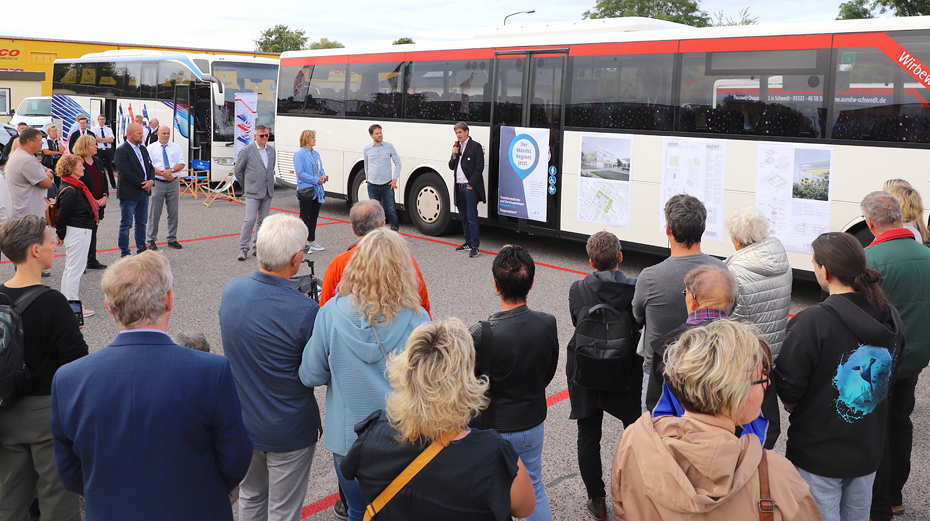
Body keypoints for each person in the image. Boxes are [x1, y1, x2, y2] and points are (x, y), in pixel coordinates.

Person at [49, 251, 254, 521]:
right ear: (169, 300)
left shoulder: (68, 379)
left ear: (109, 307)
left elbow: (71, 472)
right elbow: (235, 459)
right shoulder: (210, 371)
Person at [610, 320, 823, 521]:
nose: (767, 386)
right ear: (736, 394)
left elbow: (622, 510)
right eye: (761, 378)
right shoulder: (777, 477)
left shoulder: (633, 440)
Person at [342, 318, 536, 520]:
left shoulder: (372, 438)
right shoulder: (491, 456)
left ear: (407, 373)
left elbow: (355, 479)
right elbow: (525, 508)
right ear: (464, 381)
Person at [299, 228, 429, 521]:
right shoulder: (418, 318)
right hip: (403, 440)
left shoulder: (331, 312)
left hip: (349, 441)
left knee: (358, 511)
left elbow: (310, 375)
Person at [774, 232, 905, 521]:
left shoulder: (812, 322)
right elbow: (891, 376)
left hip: (818, 453)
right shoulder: (892, 317)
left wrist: (796, 405)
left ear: (825, 270)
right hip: (868, 451)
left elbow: (788, 385)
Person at [220, 213, 322, 521]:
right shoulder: (306, 311)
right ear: (296, 259)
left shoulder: (232, 291)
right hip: (288, 429)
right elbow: (316, 370)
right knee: (283, 511)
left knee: (250, 497)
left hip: (244, 422)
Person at [0, 216, 87, 521]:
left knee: (9, 500)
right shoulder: (52, 302)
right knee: (57, 501)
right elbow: (77, 362)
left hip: (5, 408)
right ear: (35, 250)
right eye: (51, 240)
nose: (55, 245)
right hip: (45, 415)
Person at [468, 244, 557, 521]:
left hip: (495, 427)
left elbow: (469, 385)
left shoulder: (482, 332)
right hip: (532, 420)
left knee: (491, 493)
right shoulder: (547, 323)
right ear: (531, 284)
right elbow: (548, 372)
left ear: (496, 285)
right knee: (534, 485)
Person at [859, 191, 930, 520]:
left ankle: (881, 497)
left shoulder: (871, 259)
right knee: (901, 422)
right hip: (915, 357)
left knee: (878, 426)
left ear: (870, 222)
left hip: (880, 361)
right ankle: (897, 494)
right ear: (901, 216)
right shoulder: (925, 254)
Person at [567, 232, 642, 521]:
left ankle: (596, 500)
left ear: (590, 261)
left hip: (586, 369)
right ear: (620, 257)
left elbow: (577, 319)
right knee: (634, 433)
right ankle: (633, 494)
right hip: (622, 368)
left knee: (588, 435)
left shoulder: (578, 288)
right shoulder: (634, 289)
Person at [634, 194, 727, 412]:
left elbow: (637, 316)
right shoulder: (722, 272)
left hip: (660, 374)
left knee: (656, 439)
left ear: (668, 229)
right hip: (709, 369)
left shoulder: (650, 276)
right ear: (702, 229)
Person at [725, 206, 792, 449]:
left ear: (737, 239)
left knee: (740, 421)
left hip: (742, 361)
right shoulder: (782, 262)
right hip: (769, 355)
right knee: (767, 419)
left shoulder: (734, 272)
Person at [319, 199, 430, 314]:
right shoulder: (403, 258)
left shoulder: (339, 263)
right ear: (382, 224)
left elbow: (325, 308)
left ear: (353, 228)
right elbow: (422, 302)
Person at [54, 154, 99, 317]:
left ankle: (66, 303)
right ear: (71, 168)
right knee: (75, 270)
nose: (83, 167)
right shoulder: (71, 190)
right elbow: (62, 216)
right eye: (80, 165)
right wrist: (60, 234)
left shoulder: (73, 185)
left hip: (78, 230)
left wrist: (61, 234)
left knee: (70, 269)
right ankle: (73, 307)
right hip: (78, 231)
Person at [113, 122, 154, 257]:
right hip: (129, 193)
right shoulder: (121, 150)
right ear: (129, 134)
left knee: (141, 223)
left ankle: (142, 250)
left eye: (142, 132)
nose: (142, 135)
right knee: (126, 224)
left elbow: (150, 167)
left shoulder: (143, 149)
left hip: (144, 192)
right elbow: (125, 172)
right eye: (139, 133)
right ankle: (125, 253)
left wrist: (151, 181)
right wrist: (143, 183)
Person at [235, 125, 276, 261]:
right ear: (255, 136)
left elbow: (270, 168)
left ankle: (257, 247)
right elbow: (238, 171)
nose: (265, 138)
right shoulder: (247, 151)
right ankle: (243, 248)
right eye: (262, 135)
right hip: (252, 191)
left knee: (263, 221)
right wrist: (246, 186)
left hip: (267, 190)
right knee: (250, 219)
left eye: (266, 135)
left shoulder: (271, 151)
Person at [72, 135, 109, 270]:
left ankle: (91, 260)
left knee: (93, 231)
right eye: (93, 144)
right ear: (84, 146)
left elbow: (104, 181)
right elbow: (76, 185)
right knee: (83, 234)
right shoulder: (77, 162)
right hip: (85, 205)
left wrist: (104, 196)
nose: (96, 146)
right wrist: (92, 201)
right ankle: (79, 263)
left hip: (98, 204)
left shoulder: (97, 160)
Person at [448, 121, 485, 258]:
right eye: (456, 133)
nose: (458, 135)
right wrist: (453, 154)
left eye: (460, 132)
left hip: (469, 188)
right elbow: (451, 166)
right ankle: (468, 242)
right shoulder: (457, 147)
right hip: (459, 187)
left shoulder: (475, 147)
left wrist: (471, 184)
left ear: (466, 132)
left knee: (471, 218)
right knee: (463, 217)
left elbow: (479, 167)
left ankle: (475, 246)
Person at [146, 125, 185, 250]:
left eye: (168, 133)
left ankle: (172, 238)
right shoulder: (151, 148)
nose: (166, 135)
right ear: (158, 133)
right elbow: (149, 166)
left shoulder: (176, 147)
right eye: (164, 133)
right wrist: (164, 173)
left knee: (173, 212)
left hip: (173, 183)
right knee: (155, 212)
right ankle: (151, 239)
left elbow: (181, 163)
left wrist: (171, 171)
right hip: (158, 183)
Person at [6, 128, 55, 219]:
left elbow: (47, 170)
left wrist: (47, 174)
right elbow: (47, 183)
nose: (42, 143)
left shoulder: (27, 156)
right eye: (39, 140)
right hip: (28, 217)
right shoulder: (26, 160)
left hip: (29, 215)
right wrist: (47, 174)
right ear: (29, 142)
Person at [363, 124, 401, 231]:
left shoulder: (389, 147)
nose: (380, 135)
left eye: (380, 133)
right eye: (377, 133)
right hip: (373, 185)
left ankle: (395, 234)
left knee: (391, 210)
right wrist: (368, 179)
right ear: (371, 135)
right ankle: (376, 234)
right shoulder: (367, 149)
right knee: (375, 212)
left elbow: (398, 163)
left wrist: (394, 179)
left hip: (387, 184)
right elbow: (366, 165)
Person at [294, 129, 327, 252]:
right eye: (313, 137)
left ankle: (311, 240)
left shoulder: (316, 154)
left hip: (317, 190)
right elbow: (300, 173)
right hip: (306, 189)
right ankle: (301, 244)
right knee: (304, 217)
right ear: (306, 139)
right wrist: (315, 179)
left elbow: (320, 168)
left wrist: (323, 177)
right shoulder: (300, 154)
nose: (315, 139)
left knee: (314, 216)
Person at [92, 114, 117, 187]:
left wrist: (101, 140)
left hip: (107, 150)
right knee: (98, 168)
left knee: (110, 168)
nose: (102, 121)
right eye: (100, 119)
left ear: (105, 120)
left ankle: (113, 184)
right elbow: (96, 139)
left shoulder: (108, 129)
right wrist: (106, 140)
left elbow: (111, 140)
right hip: (99, 150)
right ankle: (100, 184)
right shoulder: (94, 129)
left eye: (103, 119)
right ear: (98, 120)